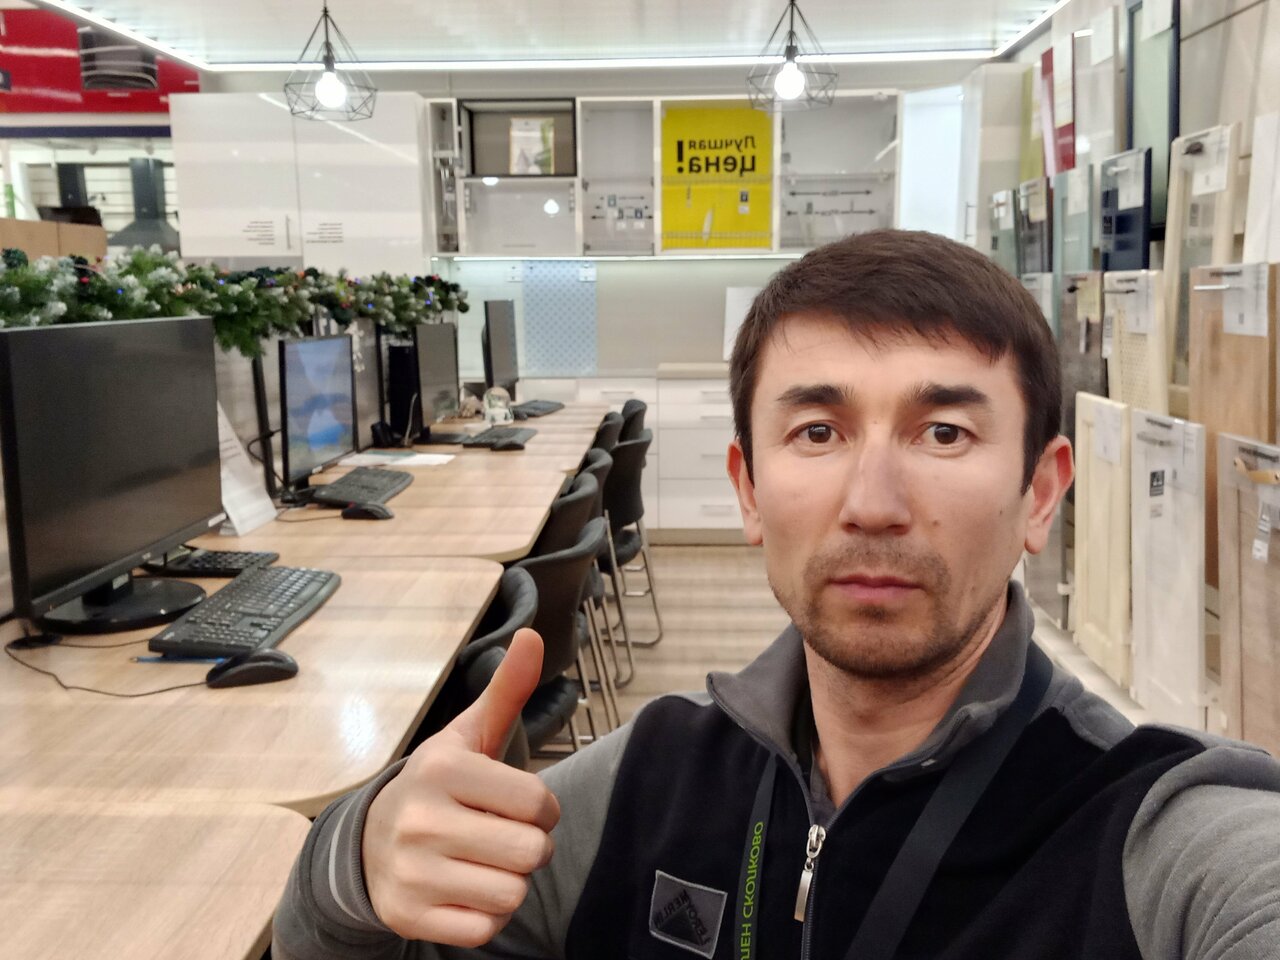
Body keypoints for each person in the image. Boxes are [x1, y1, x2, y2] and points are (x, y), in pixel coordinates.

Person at [273, 231, 1280, 960]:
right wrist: (353, 860)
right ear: (749, 489)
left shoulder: (1157, 845)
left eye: (943, 433)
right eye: (817, 433)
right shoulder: (639, 786)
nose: (873, 504)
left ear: (1041, 492)